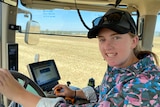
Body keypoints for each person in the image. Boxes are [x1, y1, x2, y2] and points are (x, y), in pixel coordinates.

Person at [0, 8, 160, 107]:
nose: (107, 47)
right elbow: (106, 92)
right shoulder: (119, 67)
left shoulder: (147, 87)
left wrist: (20, 95)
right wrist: (75, 94)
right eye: (102, 39)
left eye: (116, 37)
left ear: (134, 41)